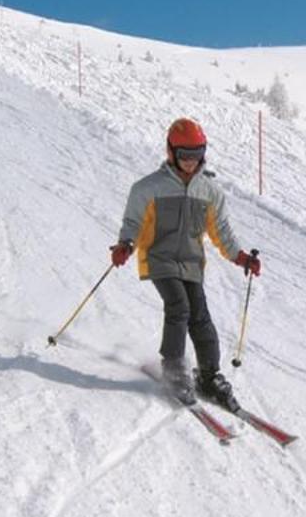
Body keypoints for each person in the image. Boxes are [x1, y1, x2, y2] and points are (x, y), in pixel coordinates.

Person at [112, 118, 262, 410]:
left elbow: (221, 231)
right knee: (178, 306)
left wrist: (240, 257)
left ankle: (208, 375)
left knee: (200, 316)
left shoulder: (209, 191)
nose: (191, 163)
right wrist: (125, 244)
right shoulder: (148, 188)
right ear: (171, 152)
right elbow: (132, 221)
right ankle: (174, 370)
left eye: (197, 156)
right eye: (185, 156)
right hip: (158, 257)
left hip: (191, 262)